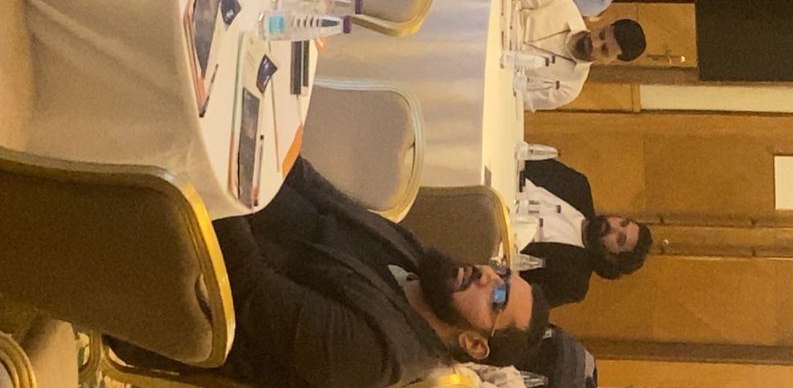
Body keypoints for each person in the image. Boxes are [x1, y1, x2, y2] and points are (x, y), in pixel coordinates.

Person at [208, 158, 549, 388]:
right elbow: (313, 186)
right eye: (501, 273)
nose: (487, 275)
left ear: (473, 343)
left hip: (200, 255)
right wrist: (254, 139)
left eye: (497, 297)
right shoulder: (420, 268)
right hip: (235, 196)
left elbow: (246, 282)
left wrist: (215, 170)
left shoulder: (375, 354)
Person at [522, 158, 652, 308]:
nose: (613, 227)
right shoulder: (578, 186)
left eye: (620, 239)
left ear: (612, 257)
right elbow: (524, 157)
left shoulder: (573, 282)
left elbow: (521, 302)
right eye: (622, 223)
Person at [517, 0, 646, 106]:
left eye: (604, 49)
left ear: (611, 62)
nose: (595, 43)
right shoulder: (564, 6)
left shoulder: (569, 88)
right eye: (601, 35)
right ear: (605, 25)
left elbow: (518, 101)